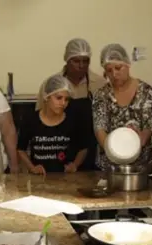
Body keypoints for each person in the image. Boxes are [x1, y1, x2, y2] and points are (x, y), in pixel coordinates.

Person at [37, 38, 106, 170]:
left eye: (85, 61)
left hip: (91, 151)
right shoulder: (50, 84)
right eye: (76, 61)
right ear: (67, 60)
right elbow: (40, 118)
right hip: (58, 149)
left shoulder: (100, 84)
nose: (81, 66)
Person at [92, 43, 152, 170]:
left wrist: (137, 142)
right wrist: (114, 153)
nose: (114, 74)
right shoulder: (101, 95)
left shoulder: (146, 91)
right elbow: (100, 129)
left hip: (139, 165)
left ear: (128, 65)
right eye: (109, 70)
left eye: (118, 68)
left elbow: (149, 126)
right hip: (109, 165)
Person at [17, 75, 91, 174]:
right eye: (59, 98)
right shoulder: (30, 119)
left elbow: (84, 148)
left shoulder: (73, 120)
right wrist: (32, 167)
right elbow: (21, 149)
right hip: (40, 180)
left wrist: (75, 165)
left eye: (67, 99)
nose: (63, 103)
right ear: (46, 96)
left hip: (67, 180)